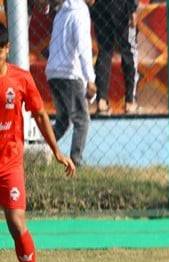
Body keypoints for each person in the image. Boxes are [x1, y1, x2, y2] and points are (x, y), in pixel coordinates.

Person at [0, 22, 76, 262]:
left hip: (10, 165)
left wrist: (56, 151)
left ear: (6, 49)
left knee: (17, 224)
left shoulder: (20, 79)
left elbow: (41, 114)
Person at [45, 0, 96, 167]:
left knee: (62, 120)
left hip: (53, 72)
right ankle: (76, 160)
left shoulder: (61, 12)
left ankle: (39, 148)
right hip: (69, 74)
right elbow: (83, 47)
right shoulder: (80, 12)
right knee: (82, 120)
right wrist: (90, 78)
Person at [90, 0, 139, 115]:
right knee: (128, 51)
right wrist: (132, 9)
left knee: (104, 51)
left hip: (100, 6)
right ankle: (130, 101)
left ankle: (102, 101)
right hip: (121, 7)